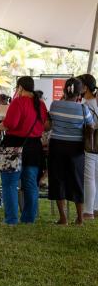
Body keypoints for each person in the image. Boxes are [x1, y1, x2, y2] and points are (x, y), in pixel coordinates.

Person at [0, 76, 48, 226]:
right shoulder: (41, 104)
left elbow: (11, 123)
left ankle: (11, 219)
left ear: (20, 87)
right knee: (30, 184)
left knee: (10, 183)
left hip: (14, 145)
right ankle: (29, 218)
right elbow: (44, 125)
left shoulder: (18, 102)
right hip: (34, 147)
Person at [47, 78, 94, 225]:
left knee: (57, 180)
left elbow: (50, 123)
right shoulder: (83, 108)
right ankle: (80, 218)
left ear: (64, 91)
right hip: (76, 148)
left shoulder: (55, 105)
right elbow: (91, 125)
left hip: (56, 146)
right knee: (77, 181)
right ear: (80, 93)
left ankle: (63, 218)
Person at [80, 74, 98, 219]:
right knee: (96, 177)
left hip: (90, 144)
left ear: (85, 87)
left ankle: (88, 211)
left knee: (89, 178)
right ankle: (96, 209)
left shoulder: (85, 104)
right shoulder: (95, 102)